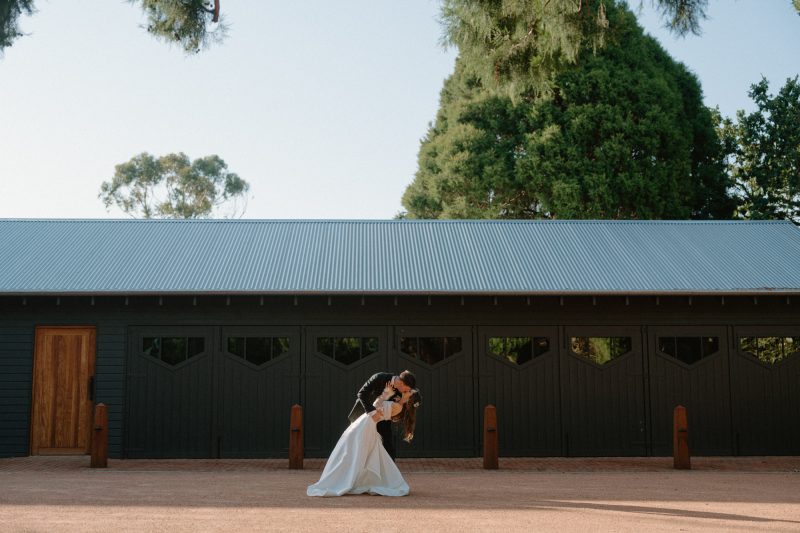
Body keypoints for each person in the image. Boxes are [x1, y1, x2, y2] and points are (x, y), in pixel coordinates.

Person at [307, 388, 422, 497]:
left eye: (410, 392)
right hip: (365, 424)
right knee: (357, 453)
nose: (407, 390)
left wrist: (385, 394)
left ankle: (344, 480)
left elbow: (375, 406)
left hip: (366, 426)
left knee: (352, 453)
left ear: (409, 399)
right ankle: (355, 480)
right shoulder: (398, 404)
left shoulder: (398, 406)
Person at [347, 370, 416, 461]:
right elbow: (361, 393)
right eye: (407, 389)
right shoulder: (379, 377)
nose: (407, 391)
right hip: (363, 415)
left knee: (387, 443)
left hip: (383, 419)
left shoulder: (402, 392)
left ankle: (389, 472)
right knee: (359, 444)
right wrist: (373, 413)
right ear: (401, 383)